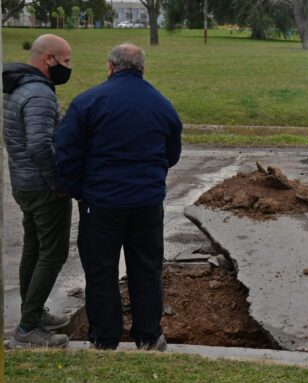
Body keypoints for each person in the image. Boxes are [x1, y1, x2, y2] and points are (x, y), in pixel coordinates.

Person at [56, 44, 182, 351]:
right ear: (143, 69)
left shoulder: (88, 103)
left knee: (101, 270)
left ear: (110, 67)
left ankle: (104, 338)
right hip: (147, 203)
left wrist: (78, 191)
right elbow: (172, 154)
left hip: (101, 203)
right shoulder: (162, 105)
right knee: (147, 269)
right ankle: (149, 336)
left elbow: (67, 154)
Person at [3, 34, 73, 348]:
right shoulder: (39, 93)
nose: (69, 67)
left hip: (23, 184)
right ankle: (28, 328)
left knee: (33, 248)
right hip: (43, 187)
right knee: (53, 253)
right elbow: (39, 144)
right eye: (66, 60)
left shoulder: (15, 87)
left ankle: (32, 312)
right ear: (48, 59)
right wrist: (58, 184)